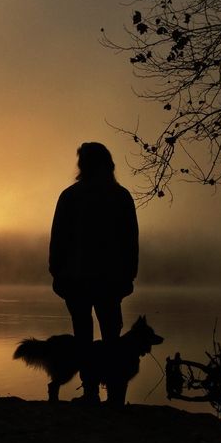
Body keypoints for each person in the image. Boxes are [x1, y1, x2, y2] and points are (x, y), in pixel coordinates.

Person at [49, 142, 139, 404]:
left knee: (84, 337)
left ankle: (91, 391)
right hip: (108, 280)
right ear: (108, 165)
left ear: (84, 166)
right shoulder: (120, 196)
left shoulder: (70, 196)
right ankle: (114, 393)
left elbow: (58, 240)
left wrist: (57, 272)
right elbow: (130, 241)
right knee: (111, 336)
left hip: (78, 279)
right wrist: (129, 276)